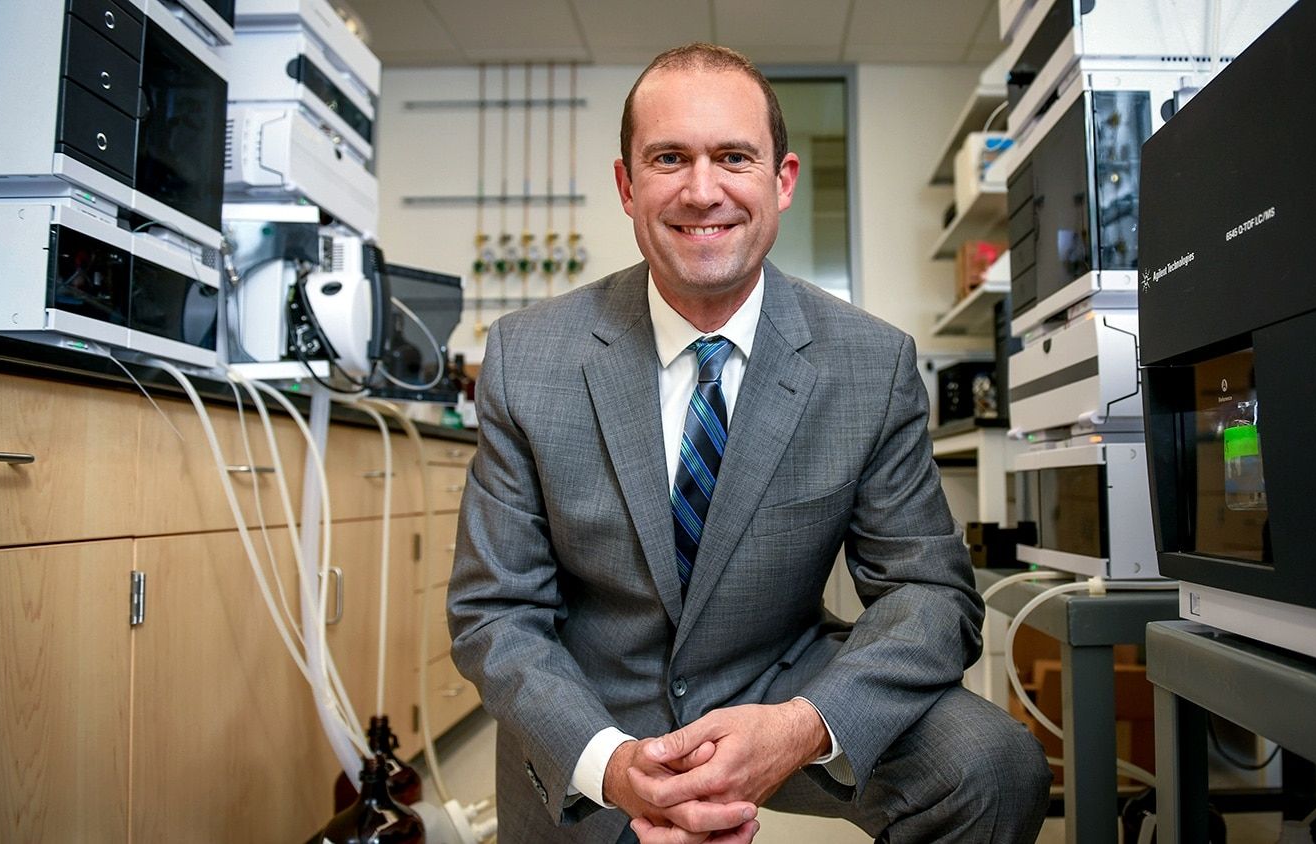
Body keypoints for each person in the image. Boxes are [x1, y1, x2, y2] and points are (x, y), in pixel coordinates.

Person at [448, 43, 1051, 843]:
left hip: (783, 682)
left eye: (734, 156)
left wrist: (805, 724)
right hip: (594, 703)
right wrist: (610, 764)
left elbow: (931, 595)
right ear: (627, 186)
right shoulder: (530, 356)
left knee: (993, 766)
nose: (704, 191)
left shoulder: (869, 363)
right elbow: (495, 612)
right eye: (669, 158)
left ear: (783, 180)